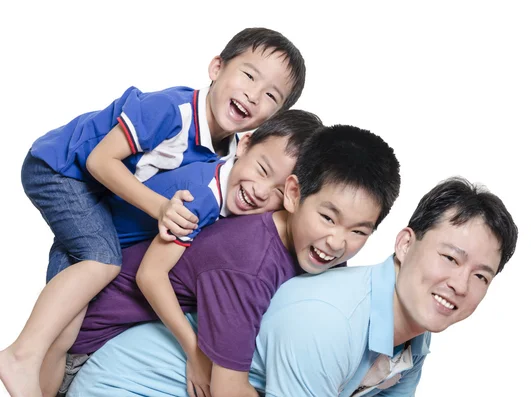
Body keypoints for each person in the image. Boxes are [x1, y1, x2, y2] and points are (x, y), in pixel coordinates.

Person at [0, 26, 306, 397]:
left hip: (105, 203)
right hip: (64, 170)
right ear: (216, 67)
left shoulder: (232, 154)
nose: (253, 95)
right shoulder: (171, 112)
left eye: (271, 95)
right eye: (248, 75)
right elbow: (99, 161)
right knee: (102, 261)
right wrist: (161, 208)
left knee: (66, 328)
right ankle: (19, 354)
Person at [67, 177, 517, 397]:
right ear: (404, 243)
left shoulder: (412, 341)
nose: (459, 284)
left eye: (481, 276)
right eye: (450, 258)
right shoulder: (329, 320)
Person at [67, 124, 400, 397]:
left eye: (358, 232)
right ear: (294, 195)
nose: (337, 243)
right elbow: (227, 390)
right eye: (328, 218)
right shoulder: (247, 261)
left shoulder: (309, 245)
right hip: (92, 340)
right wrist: (196, 352)